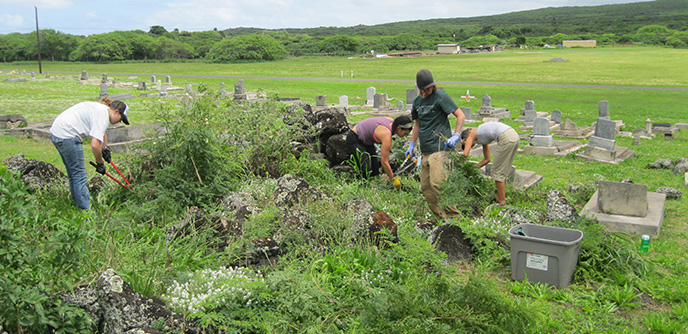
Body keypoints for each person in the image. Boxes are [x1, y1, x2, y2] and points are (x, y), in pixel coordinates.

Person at [50, 97, 130, 209]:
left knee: (74, 175)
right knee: (79, 176)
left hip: (58, 132)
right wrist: (100, 163)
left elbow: (102, 132)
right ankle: (88, 213)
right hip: (67, 136)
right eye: (121, 119)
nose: (119, 122)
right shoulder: (103, 116)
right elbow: (94, 144)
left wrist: (105, 149)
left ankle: (78, 206)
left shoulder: (103, 110)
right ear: (116, 112)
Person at [406, 69, 465, 219]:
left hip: (439, 147)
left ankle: (454, 218)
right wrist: (412, 144)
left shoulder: (440, 97)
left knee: (438, 183)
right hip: (425, 149)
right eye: (427, 87)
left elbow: (460, 115)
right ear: (421, 88)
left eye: (431, 86)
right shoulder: (417, 102)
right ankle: (440, 218)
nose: (430, 89)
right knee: (426, 187)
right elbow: (417, 125)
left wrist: (456, 135)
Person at [460, 122, 519, 206]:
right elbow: (487, 159)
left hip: (506, 137)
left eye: (465, 143)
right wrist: (472, 168)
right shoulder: (482, 135)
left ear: (465, 139)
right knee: (502, 171)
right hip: (513, 136)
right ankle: (498, 198)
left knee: (496, 171)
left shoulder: (471, 135)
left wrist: (462, 168)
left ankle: (501, 203)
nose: (473, 145)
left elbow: (464, 156)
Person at [346, 115, 414, 187]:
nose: (405, 136)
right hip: (355, 138)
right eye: (405, 133)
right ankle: (361, 187)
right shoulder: (386, 134)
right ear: (399, 128)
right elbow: (384, 162)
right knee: (366, 167)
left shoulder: (392, 122)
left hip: (367, 141)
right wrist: (393, 179)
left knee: (375, 168)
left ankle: (374, 186)